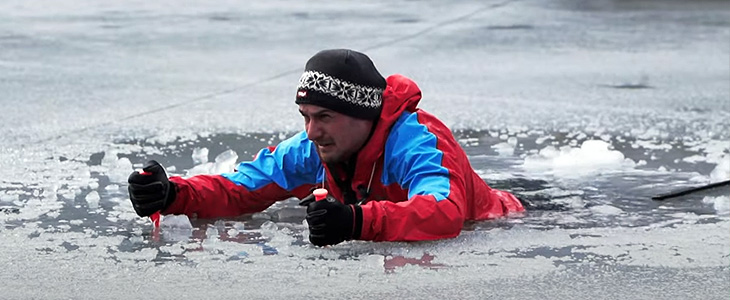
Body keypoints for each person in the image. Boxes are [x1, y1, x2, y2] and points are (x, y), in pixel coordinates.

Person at [128, 49, 525, 246]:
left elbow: (445, 213)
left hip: (502, 219)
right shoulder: (313, 147)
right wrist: (175, 193)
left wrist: (356, 223)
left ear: (363, 115)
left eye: (324, 117)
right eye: (305, 116)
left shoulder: (417, 141)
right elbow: (243, 188)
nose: (312, 131)